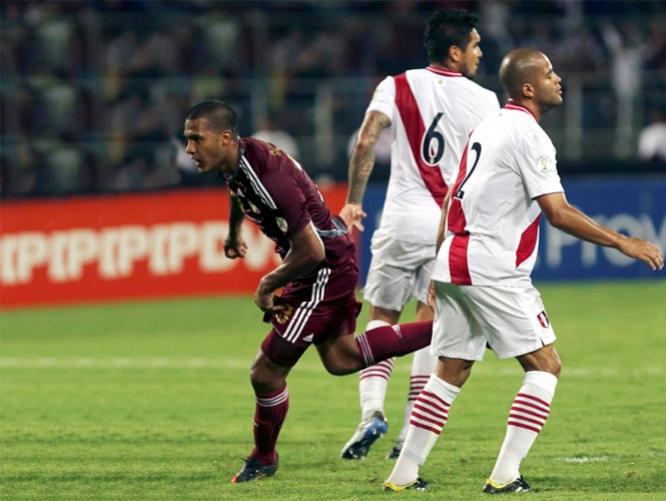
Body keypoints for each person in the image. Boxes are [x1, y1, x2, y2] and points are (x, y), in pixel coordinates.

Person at [383, 48, 664, 493]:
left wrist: (439, 269)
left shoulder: (487, 125)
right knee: (545, 365)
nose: (559, 79)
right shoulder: (528, 135)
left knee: (451, 370)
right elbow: (557, 211)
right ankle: (504, 476)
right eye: (550, 73)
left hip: (455, 261)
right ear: (528, 87)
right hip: (492, 267)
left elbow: (453, 197)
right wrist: (623, 241)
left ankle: (402, 475)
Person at [182, 100, 435, 483]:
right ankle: (451, 328)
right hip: (327, 261)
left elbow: (311, 249)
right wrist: (235, 231)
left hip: (322, 270)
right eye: (188, 140)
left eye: (196, 139)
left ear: (226, 138)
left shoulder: (267, 178)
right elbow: (236, 188)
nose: (189, 149)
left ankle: (263, 457)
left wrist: (269, 283)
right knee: (341, 358)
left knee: (265, 372)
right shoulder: (237, 160)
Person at [338, 9, 499, 461]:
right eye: (475, 45)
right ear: (455, 51)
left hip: (399, 220)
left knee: (382, 315)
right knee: (430, 325)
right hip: (445, 225)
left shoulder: (396, 84)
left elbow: (367, 140)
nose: (480, 52)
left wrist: (353, 200)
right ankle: (409, 433)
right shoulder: (485, 101)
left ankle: (370, 412)